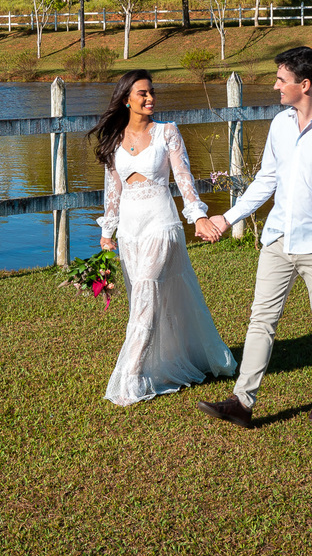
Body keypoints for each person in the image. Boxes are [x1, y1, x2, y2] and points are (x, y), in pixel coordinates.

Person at [197, 46, 312, 428]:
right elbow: (266, 181)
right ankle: (242, 403)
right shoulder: (280, 124)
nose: (276, 86)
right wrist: (227, 219)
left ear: (305, 84)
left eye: (282, 80)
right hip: (277, 240)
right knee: (261, 320)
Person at [89, 69, 237, 406]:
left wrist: (197, 216)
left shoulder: (167, 133)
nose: (150, 98)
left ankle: (130, 375)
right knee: (141, 297)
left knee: (147, 292)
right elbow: (112, 191)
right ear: (126, 98)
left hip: (162, 224)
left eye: (152, 92)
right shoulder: (114, 141)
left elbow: (185, 180)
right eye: (142, 93)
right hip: (130, 231)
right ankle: (181, 355)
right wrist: (106, 234)